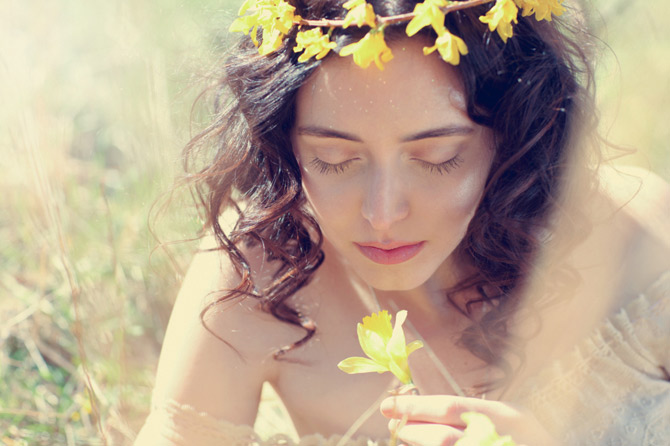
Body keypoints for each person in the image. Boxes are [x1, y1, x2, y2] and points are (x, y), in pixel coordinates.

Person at [134, 0, 670, 444]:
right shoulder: (261, 271)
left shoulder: (637, 232)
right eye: (334, 160)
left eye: (438, 157)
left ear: (513, 136)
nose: (381, 213)